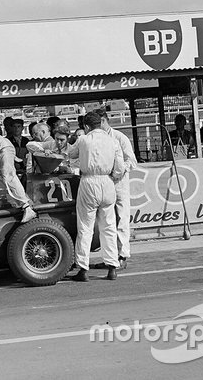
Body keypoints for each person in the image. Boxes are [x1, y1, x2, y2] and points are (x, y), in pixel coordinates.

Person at [68, 112, 124, 282]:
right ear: (100, 123)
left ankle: (83, 268)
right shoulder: (113, 141)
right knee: (109, 226)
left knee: (85, 227)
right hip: (107, 182)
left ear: (86, 126)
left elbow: (71, 154)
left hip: (89, 181)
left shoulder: (83, 139)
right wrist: (112, 176)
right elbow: (120, 168)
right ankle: (112, 266)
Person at [93, 109, 136, 271]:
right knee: (106, 222)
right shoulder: (95, 138)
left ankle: (122, 255)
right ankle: (110, 258)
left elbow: (131, 161)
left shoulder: (119, 137)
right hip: (103, 183)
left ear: (103, 121)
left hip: (119, 183)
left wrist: (118, 171)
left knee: (122, 219)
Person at [4, 118, 29, 183]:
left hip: (24, 169)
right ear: (11, 128)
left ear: (22, 128)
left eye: (18, 126)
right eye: (14, 127)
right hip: (12, 170)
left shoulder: (26, 141)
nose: (16, 129)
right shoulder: (7, 141)